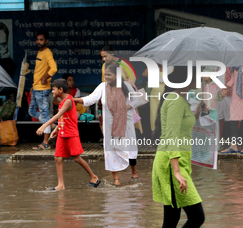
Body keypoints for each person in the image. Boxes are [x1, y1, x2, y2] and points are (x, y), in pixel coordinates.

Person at [152, 66, 205, 228]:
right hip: (171, 164)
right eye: (198, 73)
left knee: (171, 219)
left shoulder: (180, 100)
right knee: (197, 217)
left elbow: (180, 128)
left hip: (178, 162)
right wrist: (176, 171)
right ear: (187, 77)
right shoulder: (175, 100)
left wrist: (196, 112)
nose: (201, 77)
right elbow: (172, 136)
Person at [74, 64, 139, 185]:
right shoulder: (102, 87)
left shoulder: (126, 86)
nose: (106, 77)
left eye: (109, 74)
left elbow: (136, 100)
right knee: (111, 151)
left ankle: (134, 171)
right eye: (105, 75)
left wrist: (125, 108)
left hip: (125, 123)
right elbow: (91, 99)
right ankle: (116, 179)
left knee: (129, 148)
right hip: (109, 125)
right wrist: (74, 99)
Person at [36, 79, 100, 190]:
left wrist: (43, 126)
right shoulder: (62, 101)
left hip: (71, 134)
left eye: (54, 89)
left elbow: (58, 115)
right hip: (62, 132)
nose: (52, 92)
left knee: (77, 158)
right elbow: (62, 117)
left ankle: (93, 176)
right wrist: (56, 128)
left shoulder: (68, 101)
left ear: (60, 90)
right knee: (58, 158)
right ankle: (60, 185)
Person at [31, 30, 57, 150]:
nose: (38, 41)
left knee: (45, 115)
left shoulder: (47, 53)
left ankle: (45, 142)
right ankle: (52, 124)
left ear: (46, 41)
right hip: (36, 88)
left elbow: (54, 68)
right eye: (37, 39)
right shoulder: (40, 52)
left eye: (41, 40)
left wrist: (45, 78)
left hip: (42, 90)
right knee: (31, 112)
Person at [221, 64, 243, 154]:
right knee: (233, 118)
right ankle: (233, 145)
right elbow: (233, 79)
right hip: (236, 95)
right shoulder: (234, 64)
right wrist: (225, 88)